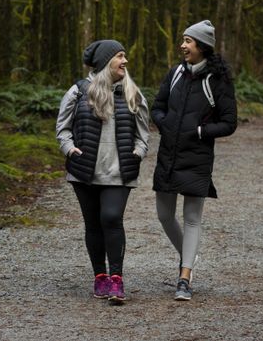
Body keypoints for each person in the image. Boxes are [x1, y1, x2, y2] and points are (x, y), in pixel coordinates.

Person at [56, 39, 150, 305]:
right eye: (120, 56)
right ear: (106, 62)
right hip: (84, 172)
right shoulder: (78, 91)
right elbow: (62, 127)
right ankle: (100, 276)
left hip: (119, 173)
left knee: (111, 218)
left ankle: (117, 279)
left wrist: (138, 153)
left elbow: (144, 134)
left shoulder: (133, 93)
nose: (125, 61)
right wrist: (69, 148)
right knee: (93, 224)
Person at [151, 20, 237, 301]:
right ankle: (190, 255)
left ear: (202, 46)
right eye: (183, 40)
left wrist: (200, 131)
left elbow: (229, 122)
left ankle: (184, 277)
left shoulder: (217, 80)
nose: (182, 46)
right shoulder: (175, 73)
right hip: (169, 154)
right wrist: (165, 124)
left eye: (188, 41)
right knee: (164, 215)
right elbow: (158, 106)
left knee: (191, 218)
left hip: (198, 157)